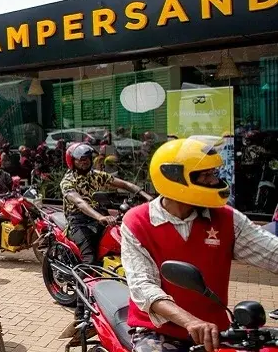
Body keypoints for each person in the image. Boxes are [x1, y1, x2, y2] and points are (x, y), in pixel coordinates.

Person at [121, 137, 278, 352]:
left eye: (213, 173)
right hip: (159, 332)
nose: (214, 181)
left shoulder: (227, 219)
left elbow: (272, 252)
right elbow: (143, 287)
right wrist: (190, 321)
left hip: (215, 332)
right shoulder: (137, 221)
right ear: (174, 177)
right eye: (205, 175)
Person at [60, 142, 152, 326]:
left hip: (98, 216)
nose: (85, 162)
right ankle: (80, 311)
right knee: (90, 262)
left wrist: (148, 197)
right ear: (73, 162)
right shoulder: (68, 181)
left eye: (88, 159)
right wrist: (99, 217)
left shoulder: (96, 176)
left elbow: (123, 184)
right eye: (81, 160)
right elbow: (79, 203)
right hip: (78, 221)